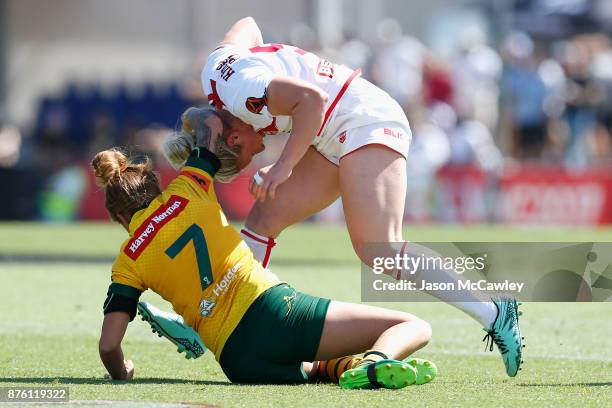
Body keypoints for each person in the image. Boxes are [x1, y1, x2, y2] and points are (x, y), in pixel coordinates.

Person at [161, 17, 524, 377]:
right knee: (263, 219)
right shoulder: (216, 68)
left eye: (249, 156)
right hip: (330, 130)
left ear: (234, 139)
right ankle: (205, 320)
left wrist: (284, 165)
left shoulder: (245, 97)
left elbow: (312, 100)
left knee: (380, 248)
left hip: (365, 119)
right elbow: (248, 24)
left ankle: (494, 310)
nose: (259, 151)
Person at [94, 136, 437, 389]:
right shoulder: (187, 189)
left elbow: (109, 344)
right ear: (156, 186)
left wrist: (122, 370)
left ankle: (353, 367)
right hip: (272, 311)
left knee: (314, 368)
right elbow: (211, 128)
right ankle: (376, 364)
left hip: (237, 360)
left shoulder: (128, 261)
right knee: (412, 326)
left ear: (118, 217)